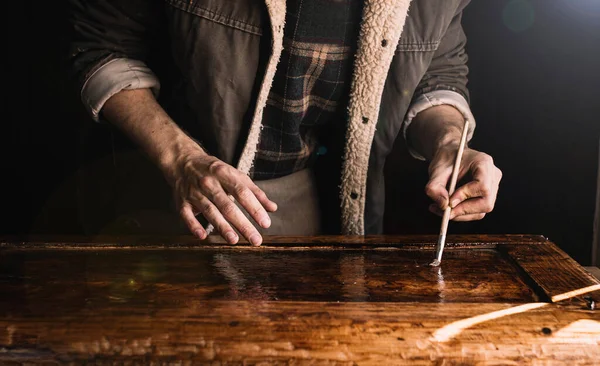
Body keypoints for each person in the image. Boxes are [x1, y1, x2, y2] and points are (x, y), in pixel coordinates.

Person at [68, 0, 502, 246]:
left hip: (309, 210)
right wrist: (180, 158)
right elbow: (101, 49)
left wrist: (449, 142)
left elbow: (438, 73)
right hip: (155, 201)